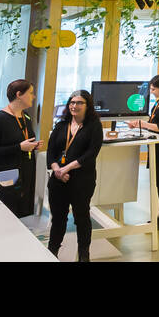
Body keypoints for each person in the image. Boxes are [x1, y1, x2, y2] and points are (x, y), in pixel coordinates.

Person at [45, 89, 104, 261]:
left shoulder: (94, 126)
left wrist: (66, 169)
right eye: (72, 102)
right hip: (58, 180)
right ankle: (52, 252)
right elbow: (51, 151)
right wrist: (57, 169)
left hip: (81, 180)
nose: (74, 106)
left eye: (79, 103)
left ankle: (84, 254)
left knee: (82, 217)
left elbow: (91, 154)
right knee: (58, 219)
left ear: (87, 106)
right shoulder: (61, 125)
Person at [0, 79, 40, 218]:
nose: (33, 96)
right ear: (19, 94)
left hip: (26, 175)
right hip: (5, 176)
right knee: (6, 216)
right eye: (31, 93)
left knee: (24, 216)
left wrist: (33, 146)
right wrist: (19, 147)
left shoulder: (26, 117)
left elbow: (24, 142)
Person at [129, 74, 159, 230]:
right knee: (158, 182)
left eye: (153, 89)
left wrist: (143, 123)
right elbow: (153, 124)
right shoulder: (158, 104)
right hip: (155, 146)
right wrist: (139, 124)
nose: (152, 92)